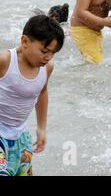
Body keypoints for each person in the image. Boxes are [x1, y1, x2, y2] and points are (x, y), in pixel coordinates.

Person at [0, 15, 65, 176]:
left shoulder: (47, 67)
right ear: (25, 41)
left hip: (20, 136)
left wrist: (41, 128)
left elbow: (42, 92)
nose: (48, 57)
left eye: (53, 53)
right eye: (44, 51)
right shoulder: (5, 61)